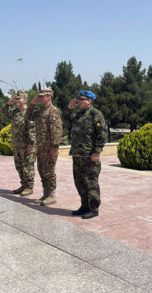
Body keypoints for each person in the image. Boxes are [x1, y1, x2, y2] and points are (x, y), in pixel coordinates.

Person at [67, 90, 108, 219]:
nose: (79, 101)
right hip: (77, 154)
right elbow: (67, 122)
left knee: (91, 182)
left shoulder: (96, 114)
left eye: (82, 99)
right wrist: (70, 109)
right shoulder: (78, 114)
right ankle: (84, 206)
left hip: (89, 155)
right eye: (78, 99)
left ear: (89, 101)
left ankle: (94, 208)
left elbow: (102, 134)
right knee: (79, 182)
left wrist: (97, 152)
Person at [26, 89, 63, 205]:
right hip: (40, 148)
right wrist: (32, 104)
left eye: (42, 97)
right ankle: (46, 194)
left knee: (49, 171)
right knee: (42, 170)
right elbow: (27, 116)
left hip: (49, 148)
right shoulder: (39, 111)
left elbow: (57, 131)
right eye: (39, 96)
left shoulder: (53, 111)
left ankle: (52, 195)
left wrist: (55, 148)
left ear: (49, 97)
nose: (40, 98)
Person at [0, 90, 36, 196]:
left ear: (25, 100)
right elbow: (4, 112)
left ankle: (29, 187)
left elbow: (33, 130)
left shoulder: (29, 113)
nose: (17, 101)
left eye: (18, 99)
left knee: (27, 166)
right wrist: (8, 104)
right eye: (16, 99)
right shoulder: (15, 112)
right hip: (17, 145)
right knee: (19, 166)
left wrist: (32, 144)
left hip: (26, 145)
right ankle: (23, 185)